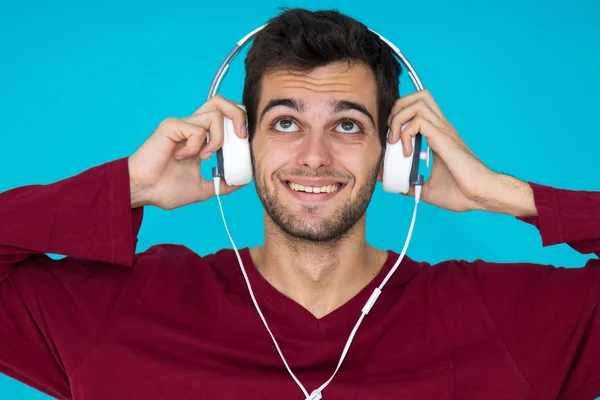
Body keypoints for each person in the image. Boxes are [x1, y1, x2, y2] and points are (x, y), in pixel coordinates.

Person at [1, 8, 599, 400]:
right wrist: (127, 186)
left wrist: (501, 193)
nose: (314, 157)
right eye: (285, 122)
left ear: (395, 151)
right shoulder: (123, 308)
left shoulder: (501, 319)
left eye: (347, 126)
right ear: (239, 147)